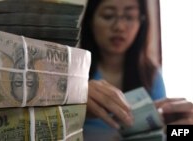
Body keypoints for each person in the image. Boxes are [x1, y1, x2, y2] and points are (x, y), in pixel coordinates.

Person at [80, 0, 193, 140]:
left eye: (129, 17)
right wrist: (75, 101)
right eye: (108, 16)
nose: (119, 27)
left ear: (141, 22)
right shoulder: (74, 73)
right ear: (90, 21)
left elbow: (164, 133)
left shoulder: (151, 75)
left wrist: (181, 131)